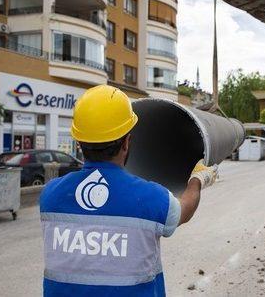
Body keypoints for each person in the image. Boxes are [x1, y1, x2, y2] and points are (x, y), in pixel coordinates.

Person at [39, 85, 218, 296]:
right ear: (127, 142)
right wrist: (197, 179)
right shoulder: (151, 198)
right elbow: (185, 209)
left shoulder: (50, 195)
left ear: (79, 143)